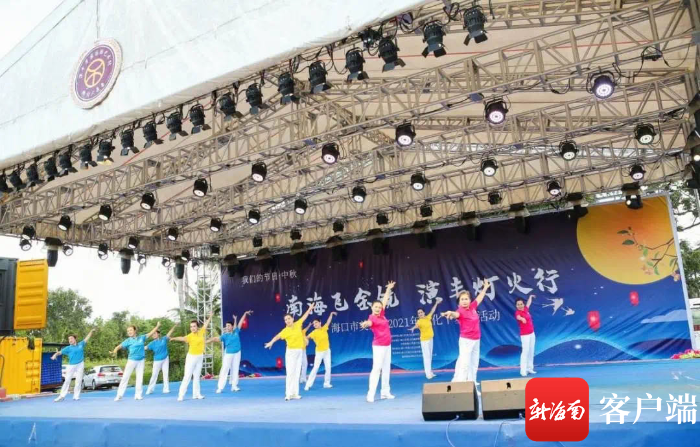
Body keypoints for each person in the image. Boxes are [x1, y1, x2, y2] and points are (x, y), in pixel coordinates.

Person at [441, 279, 491, 384]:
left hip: (476, 340)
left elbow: (479, 298)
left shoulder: (472, 307)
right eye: (462, 299)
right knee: (465, 363)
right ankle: (461, 384)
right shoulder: (460, 311)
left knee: (474, 363)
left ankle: (472, 382)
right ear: (459, 302)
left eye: (466, 299)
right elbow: (455, 314)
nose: (464, 301)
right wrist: (450, 313)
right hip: (466, 341)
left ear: (469, 300)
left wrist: (485, 288)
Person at [264, 303, 315, 401]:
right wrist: (271, 342)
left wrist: (310, 308)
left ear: (292, 319)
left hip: (299, 351)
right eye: (285, 320)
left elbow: (304, 316)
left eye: (289, 319)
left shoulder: (298, 324)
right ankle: (288, 394)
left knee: (297, 372)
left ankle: (295, 393)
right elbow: (277, 336)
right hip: (291, 353)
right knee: (290, 373)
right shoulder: (285, 331)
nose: (287, 321)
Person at [359, 280, 396, 403]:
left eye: (379, 307)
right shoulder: (372, 318)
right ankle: (370, 394)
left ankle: (385, 392)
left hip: (387, 346)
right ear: (372, 307)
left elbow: (384, 300)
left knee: (386, 369)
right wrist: (365, 324)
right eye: (376, 307)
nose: (378, 308)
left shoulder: (382, 314)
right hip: (379, 347)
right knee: (376, 369)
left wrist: (388, 289)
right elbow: (369, 323)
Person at [171, 311, 214, 401]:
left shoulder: (201, 332)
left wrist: (210, 316)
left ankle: (196, 394)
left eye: (194, 326)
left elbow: (206, 324)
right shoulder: (190, 336)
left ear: (197, 327)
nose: (192, 328)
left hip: (200, 357)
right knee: (187, 376)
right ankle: (181, 395)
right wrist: (174, 338)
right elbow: (182, 338)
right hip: (191, 357)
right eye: (191, 327)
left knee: (197, 377)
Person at [111, 322, 160, 401]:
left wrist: (157, 326)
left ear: (135, 331)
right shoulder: (128, 341)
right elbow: (119, 346)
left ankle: (138, 395)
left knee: (139, 378)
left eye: (130, 330)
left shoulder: (141, 338)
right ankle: (119, 395)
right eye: (128, 331)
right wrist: (115, 351)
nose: (129, 332)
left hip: (141, 361)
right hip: (132, 360)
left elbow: (150, 333)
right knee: (125, 377)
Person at [207, 310, 252, 393]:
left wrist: (245, 313)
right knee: (225, 369)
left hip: (237, 353)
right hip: (228, 354)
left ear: (232, 327)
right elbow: (215, 339)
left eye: (228, 326)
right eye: (226, 326)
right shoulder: (225, 335)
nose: (227, 327)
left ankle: (234, 386)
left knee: (235, 369)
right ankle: (220, 387)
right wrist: (206, 341)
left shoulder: (236, 331)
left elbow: (240, 322)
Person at [51, 328, 96, 402]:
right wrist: (55, 355)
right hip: (71, 365)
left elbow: (87, 338)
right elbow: (59, 352)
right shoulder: (68, 348)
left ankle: (76, 396)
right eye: (69, 339)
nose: (70, 340)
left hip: (80, 364)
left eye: (71, 338)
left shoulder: (81, 344)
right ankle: (62, 396)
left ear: (75, 339)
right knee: (67, 380)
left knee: (78, 380)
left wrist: (91, 331)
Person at [409, 298, 442, 379]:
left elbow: (432, 310)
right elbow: (416, 325)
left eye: (421, 312)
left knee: (429, 356)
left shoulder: (428, 317)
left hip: (430, 339)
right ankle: (428, 374)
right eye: (418, 313)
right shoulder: (419, 321)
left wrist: (436, 303)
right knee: (426, 357)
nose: (420, 314)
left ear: (424, 312)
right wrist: (413, 328)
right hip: (424, 341)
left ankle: (430, 372)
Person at [304, 311, 337, 391]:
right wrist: (305, 340)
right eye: (314, 323)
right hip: (319, 352)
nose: (315, 324)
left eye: (316, 322)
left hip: (327, 351)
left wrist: (331, 314)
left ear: (320, 323)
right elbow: (306, 337)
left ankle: (326, 383)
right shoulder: (313, 333)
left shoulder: (324, 328)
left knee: (328, 367)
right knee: (316, 368)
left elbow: (328, 321)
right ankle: (308, 385)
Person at [145, 325, 176, 395]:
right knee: (154, 375)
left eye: (155, 333)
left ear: (158, 334)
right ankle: (150, 389)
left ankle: (166, 389)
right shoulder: (152, 343)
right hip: (157, 360)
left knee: (165, 374)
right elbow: (145, 347)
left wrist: (174, 326)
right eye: (152, 334)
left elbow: (170, 332)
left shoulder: (164, 339)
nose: (153, 335)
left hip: (165, 359)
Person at [515, 295, 537, 377]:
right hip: (525, 336)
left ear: (523, 304)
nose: (520, 306)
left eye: (521, 304)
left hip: (532, 334)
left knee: (531, 351)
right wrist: (522, 319)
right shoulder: (518, 312)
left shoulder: (526, 309)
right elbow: (518, 317)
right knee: (525, 352)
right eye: (518, 304)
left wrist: (530, 297)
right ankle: (523, 371)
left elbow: (528, 304)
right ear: (516, 306)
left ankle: (529, 368)